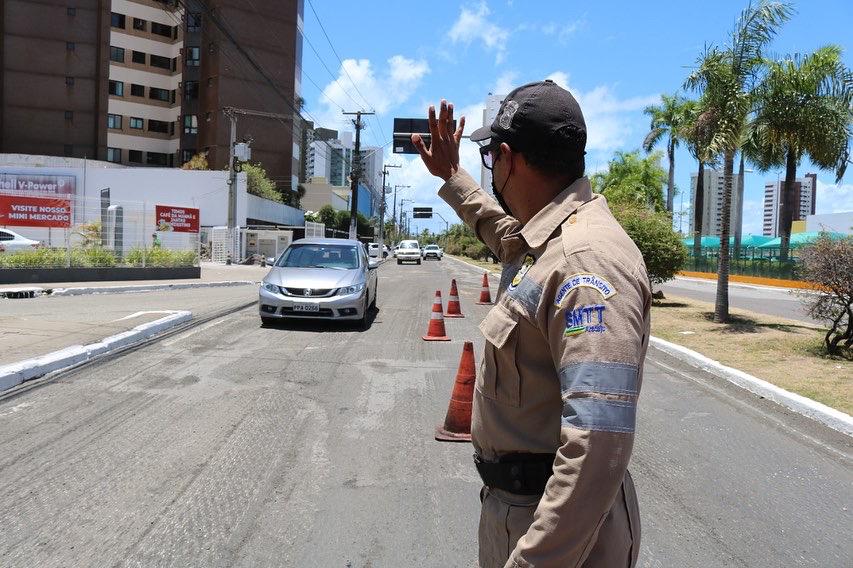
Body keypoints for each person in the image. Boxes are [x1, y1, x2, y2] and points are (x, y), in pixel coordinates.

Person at [412, 81, 651, 567]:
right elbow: (505, 235)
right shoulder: (552, 239)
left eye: (489, 161)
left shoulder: (586, 263)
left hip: (558, 535)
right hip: (523, 513)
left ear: (507, 158)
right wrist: (452, 176)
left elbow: (597, 446)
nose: (492, 172)